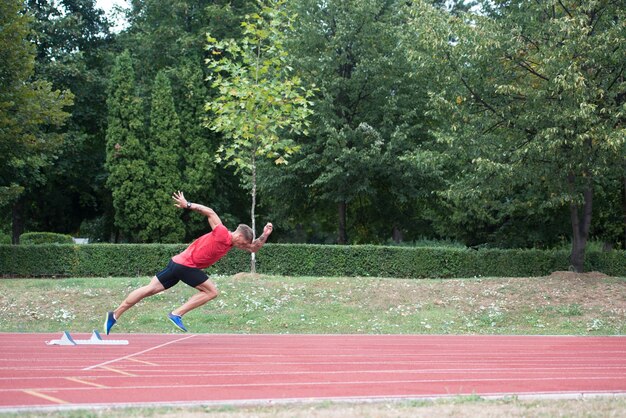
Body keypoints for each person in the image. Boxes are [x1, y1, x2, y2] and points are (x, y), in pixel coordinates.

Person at [104, 191, 273, 334]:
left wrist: (265, 234)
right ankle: (177, 313)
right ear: (238, 236)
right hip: (186, 265)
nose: (243, 247)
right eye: (243, 243)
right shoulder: (222, 233)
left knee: (149, 289)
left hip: (176, 263)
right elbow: (211, 212)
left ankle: (114, 315)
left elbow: (253, 248)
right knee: (212, 292)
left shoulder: (232, 243)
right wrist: (188, 204)